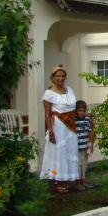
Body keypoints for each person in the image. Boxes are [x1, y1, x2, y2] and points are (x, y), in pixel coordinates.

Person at [40, 65, 79, 193]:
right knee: (58, 153)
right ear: (53, 78)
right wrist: (50, 131)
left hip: (70, 125)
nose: (61, 78)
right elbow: (47, 114)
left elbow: (74, 108)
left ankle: (67, 179)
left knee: (70, 151)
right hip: (58, 126)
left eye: (63, 76)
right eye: (58, 76)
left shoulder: (70, 90)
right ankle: (56, 180)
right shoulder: (49, 93)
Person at [75, 100, 95, 190]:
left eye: (83, 111)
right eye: (79, 110)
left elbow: (90, 132)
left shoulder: (87, 120)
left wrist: (91, 145)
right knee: (78, 165)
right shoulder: (74, 120)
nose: (81, 113)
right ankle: (78, 183)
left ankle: (84, 181)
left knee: (85, 164)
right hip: (77, 148)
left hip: (85, 146)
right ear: (75, 111)